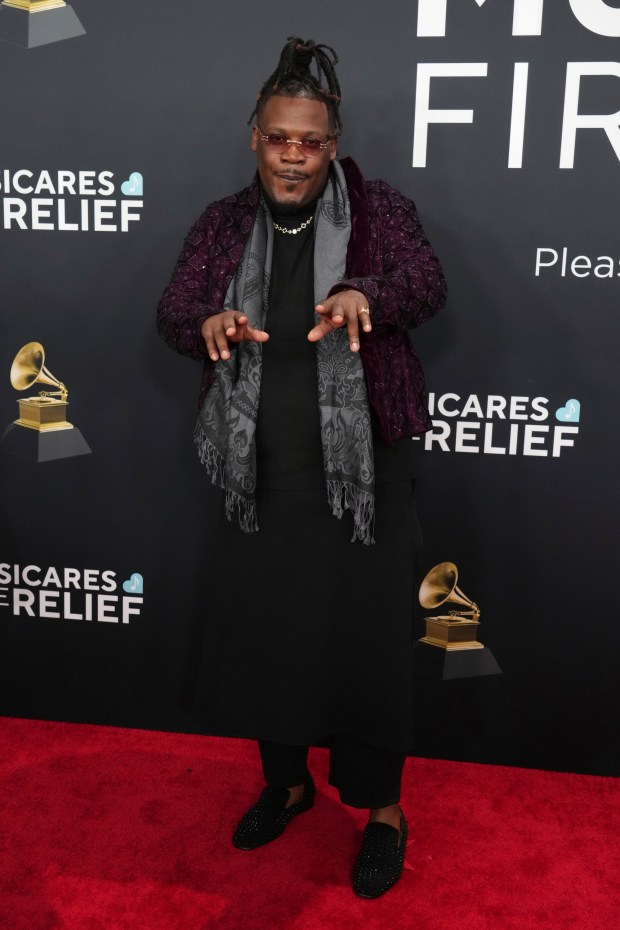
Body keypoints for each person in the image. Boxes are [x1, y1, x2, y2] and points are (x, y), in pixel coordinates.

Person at [157, 36, 447, 899]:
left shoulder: (378, 209)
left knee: (364, 653)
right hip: (263, 479)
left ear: (333, 143)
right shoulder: (220, 223)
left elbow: (426, 282)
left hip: (363, 481)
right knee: (271, 646)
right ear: (256, 136)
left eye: (311, 142)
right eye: (279, 137)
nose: (294, 154)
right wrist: (205, 321)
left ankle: (382, 813)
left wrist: (371, 295)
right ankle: (287, 784)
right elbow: (173, 310)